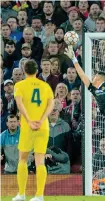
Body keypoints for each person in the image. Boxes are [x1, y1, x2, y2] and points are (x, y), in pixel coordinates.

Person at [13, 59, 54, 201]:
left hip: (27, 127)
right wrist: (42, 120)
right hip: (43, 127)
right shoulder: (45, 86)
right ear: (37, 71)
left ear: (24, 71)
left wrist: (30, 121)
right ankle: (39, 195)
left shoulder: (19, 85)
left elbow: (19, 104)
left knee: (22, 160)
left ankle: (21, 194)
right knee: (40, 161)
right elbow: (51, 105)